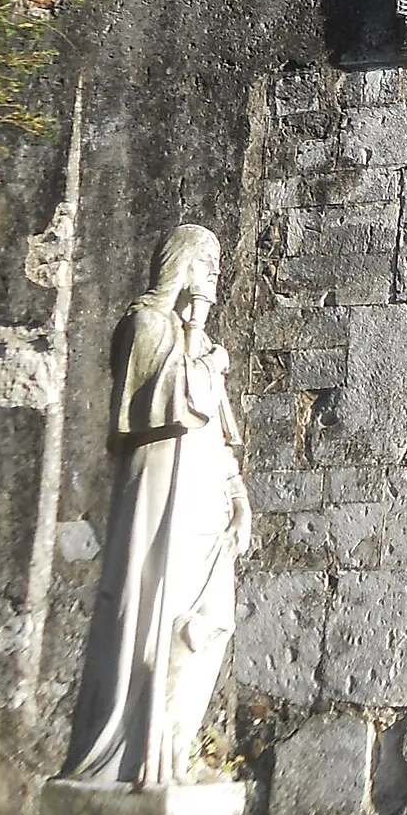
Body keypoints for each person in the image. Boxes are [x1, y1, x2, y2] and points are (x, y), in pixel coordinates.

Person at [61, 224, 253, 786]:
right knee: (153, 608)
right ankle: (139, 748)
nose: (215, 272)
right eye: (206, 260)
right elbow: (167, 404)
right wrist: (195, 337)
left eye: (219, 262)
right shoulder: (145, 324)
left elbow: (220, 435)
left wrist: (238, 501)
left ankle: (177, 736)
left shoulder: (209, 349)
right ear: (182, 264)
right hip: (160, 481)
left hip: (203, 493)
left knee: (209, 618)